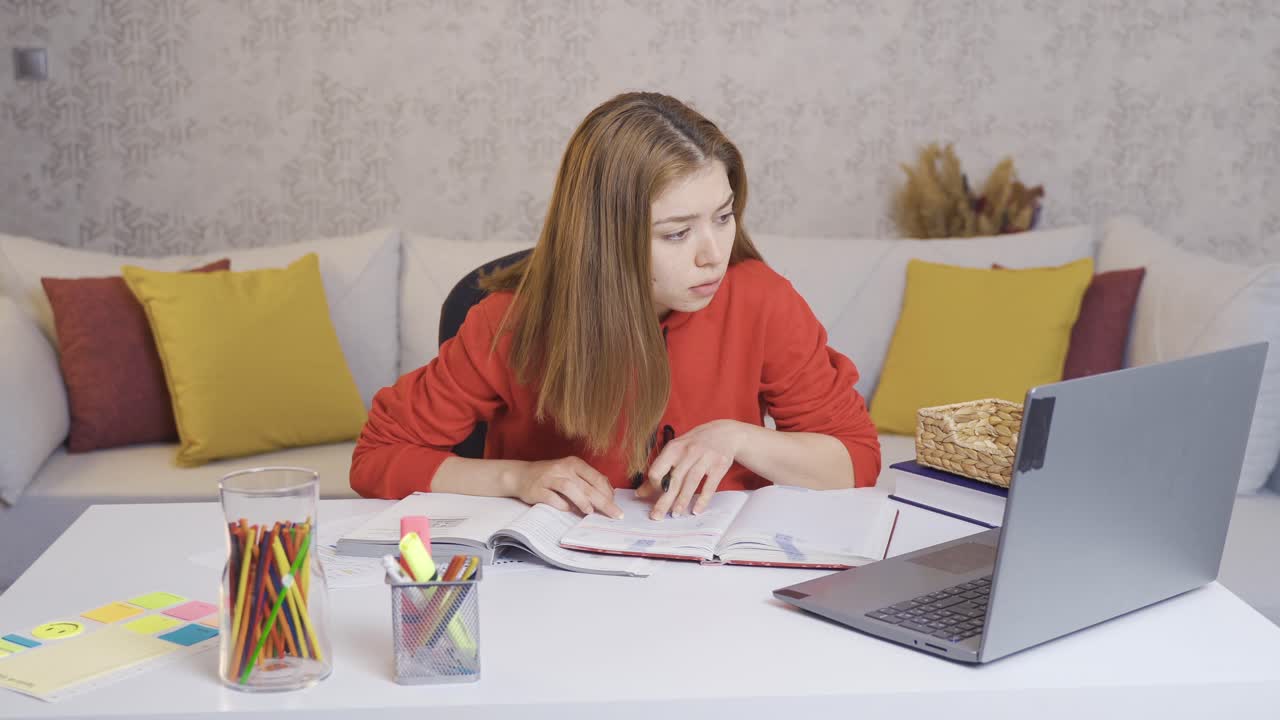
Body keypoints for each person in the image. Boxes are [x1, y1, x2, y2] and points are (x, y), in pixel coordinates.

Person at [350, 91, 880, 521]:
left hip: (721, 582)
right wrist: (518, 477)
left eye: (723, 217)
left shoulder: (762, 299)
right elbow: (377, 458)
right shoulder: (510, 323)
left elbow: (855, 458)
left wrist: (737, 438)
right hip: (562, 589)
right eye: (676, 234)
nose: (713, 255)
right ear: (606, 239)